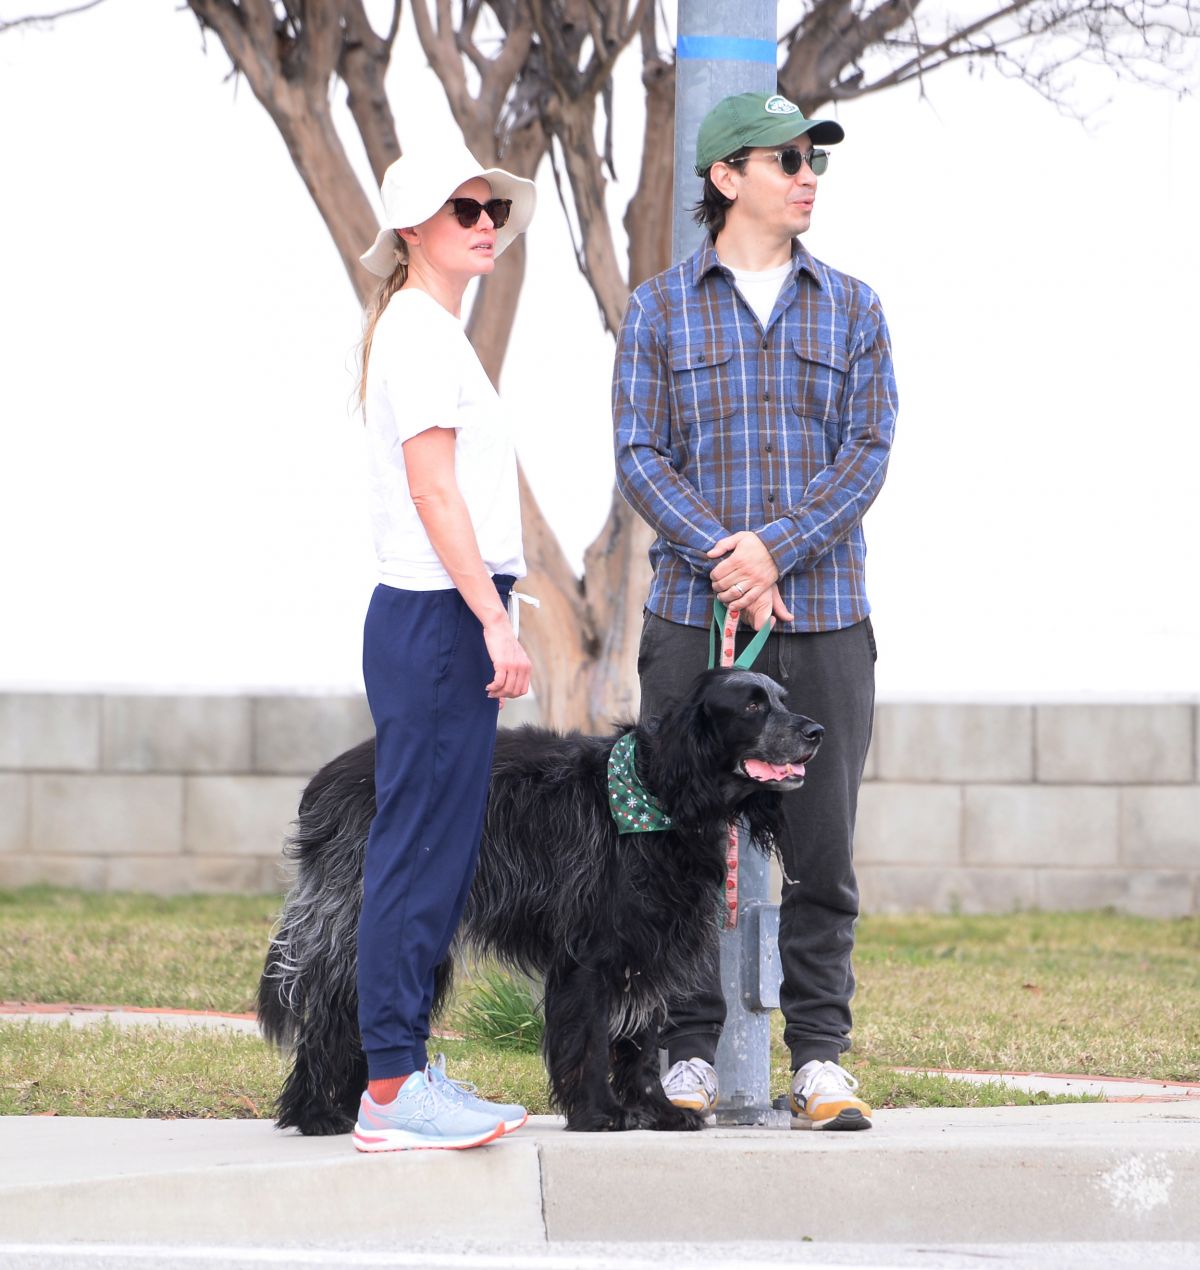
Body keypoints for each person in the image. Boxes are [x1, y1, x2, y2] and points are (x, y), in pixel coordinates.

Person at [613, 92, 897, 1131]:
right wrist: (725, 557)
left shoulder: (855, 307)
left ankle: (820, 1056)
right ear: (727, 178)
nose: (808, 173)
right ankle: (684, 1050)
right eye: (786, 158)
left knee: (821, 845)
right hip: (696, 614)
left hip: (824, 612)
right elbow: (640, 453)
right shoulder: (658, 309)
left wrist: (776, 548)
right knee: (680, 839)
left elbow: (866, 453)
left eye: (813, 157)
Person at [351, 143, 537, 1152]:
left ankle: (405, 1068)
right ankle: (390, 1090)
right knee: (418, 851)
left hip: (441, 614)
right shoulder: (418, 334)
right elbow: (434, 491)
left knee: (437, 849)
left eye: (491, 208)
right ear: (414, 231)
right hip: (437, 618)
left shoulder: (431, 332)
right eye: (462, 207)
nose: (483, 221)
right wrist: (493, 619)